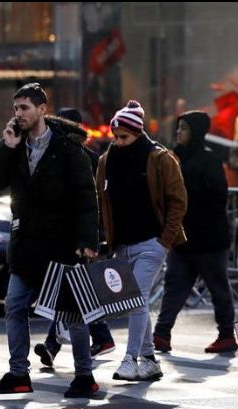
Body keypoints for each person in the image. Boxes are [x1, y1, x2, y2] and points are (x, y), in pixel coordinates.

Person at [0, 83, 100, 398]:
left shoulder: (68, 149)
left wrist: (87, 240)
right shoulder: (15, 144)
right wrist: (5, 146)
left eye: (24, 108)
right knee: (14, 306)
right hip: (25, 245)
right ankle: (19, 373)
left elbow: (86, 198)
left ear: (42, 109)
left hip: (61, 245)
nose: (18, 114)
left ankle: (85, 377)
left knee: (71, 312)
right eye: (16, 108)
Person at [96, 100, 187, 382]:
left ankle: (130, 358)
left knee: (136, 297)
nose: (119, 142)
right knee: (137, 301)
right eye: (115, 137)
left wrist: (164, 241)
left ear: (138, 132)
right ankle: (148, 359)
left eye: (124, 136)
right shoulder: (106, 161)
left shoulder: (159, 158)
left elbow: (177, 201)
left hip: (151, 242)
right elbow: (101, 201)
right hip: (122, 244)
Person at [33, 107, 116, 368]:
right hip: (69, 236)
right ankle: (95, 338)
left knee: (71, 291)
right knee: (74, 291)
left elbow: (93, 201)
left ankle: (56, 346)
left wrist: (92, 238)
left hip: (80, 238)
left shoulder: (88, 159)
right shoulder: (70, 156)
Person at [151, 111, 237, 353]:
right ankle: (161, 333)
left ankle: (227, 334)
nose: (178, 133)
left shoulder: (208, 159)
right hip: (183, 238)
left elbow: (219, 197)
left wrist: (191, 209)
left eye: (184, 128)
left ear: (196, 132)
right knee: (174, 285)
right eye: (178, 128)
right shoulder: (177, 158)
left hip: (208, 238)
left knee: (217, 286)